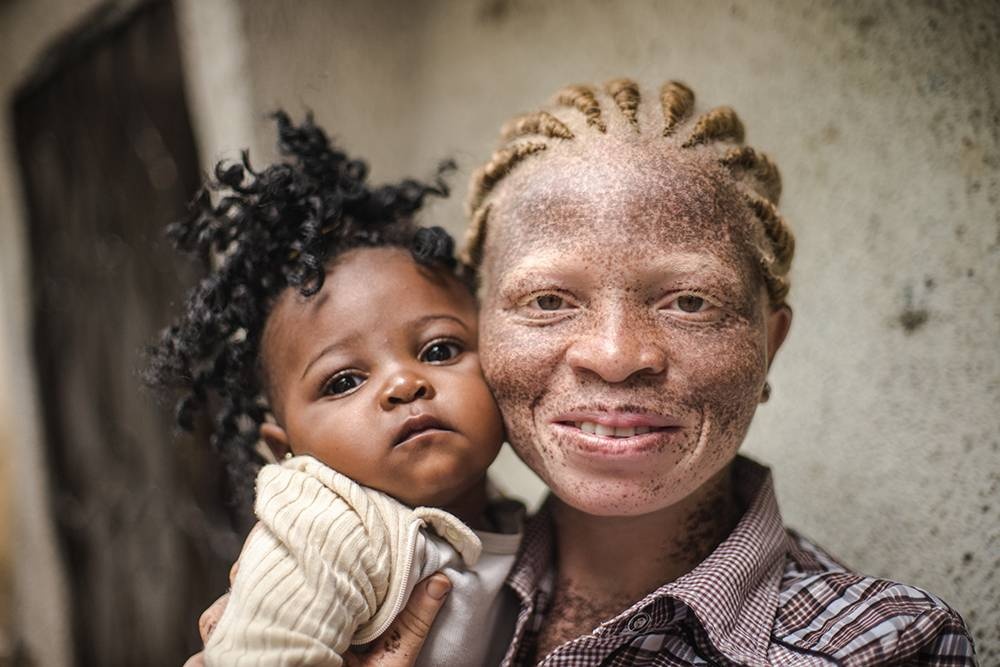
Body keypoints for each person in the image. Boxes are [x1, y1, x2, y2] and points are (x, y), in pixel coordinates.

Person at [194, 79, 978, 665]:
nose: (614, 352)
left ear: (769, 343)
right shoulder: (410, 565)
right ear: (484, 330)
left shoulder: (882, 647)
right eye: (546, 300)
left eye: (689, 301)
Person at [149, 113, 524, 666]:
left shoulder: (517, 522)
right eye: (345, 380)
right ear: (286, 449)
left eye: (439, 350)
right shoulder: (328, 526)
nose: (403, 383)